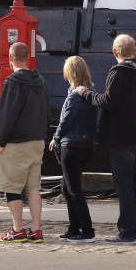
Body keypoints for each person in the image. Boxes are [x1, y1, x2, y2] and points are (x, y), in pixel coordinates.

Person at [76, 33, 136, 245]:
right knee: (135, 183)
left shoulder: (117, 72)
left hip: (121, 136)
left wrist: (85, 93)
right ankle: (133, 229)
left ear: (114, 52)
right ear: (135, 51)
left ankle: (127, 232)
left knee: (124, 185)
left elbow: (108, 101)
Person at [0, 41, 49, 243]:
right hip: (37, 141)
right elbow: (46, 110)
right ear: (27, 57)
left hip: (16, 143)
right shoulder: (40, 81)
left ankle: (17, 229)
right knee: (33, 188)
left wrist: (1, 141)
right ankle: (36, 230)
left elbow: (8, 115)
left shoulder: (13, 82)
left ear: (10, 57)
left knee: (12, 188)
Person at [50, 55, 99, 243]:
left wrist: (55, 137)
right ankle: (73, 228)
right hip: (87, 146)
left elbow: (65, 121)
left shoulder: (75, 96)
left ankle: (87, 230)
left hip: (72, 146)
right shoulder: (90, 92)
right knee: (66, 186)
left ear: (70, 73)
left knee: (74, 190)